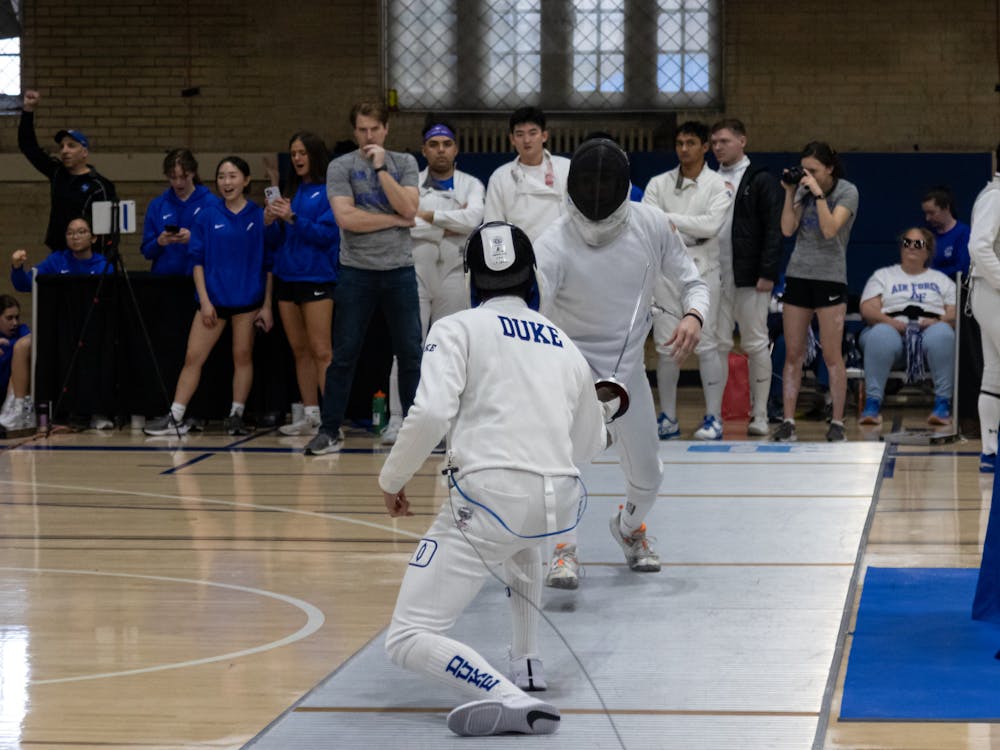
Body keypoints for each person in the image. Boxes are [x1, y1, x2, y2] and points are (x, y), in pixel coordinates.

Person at [379, 221, 609, 737]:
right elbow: (591, 445)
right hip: (557, 506)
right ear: (532, 280)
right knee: (521, 537)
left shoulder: (455, 328)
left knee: (408, 636)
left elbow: (433, 411)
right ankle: (528, 662)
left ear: (471, 280)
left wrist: (392, 477)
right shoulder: (565, 346)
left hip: (489, 499)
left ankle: (507, 696)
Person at [534, 138, 708, 588]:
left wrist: (693, 315)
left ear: (622, 185)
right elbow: (529, 317)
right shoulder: (552, 244)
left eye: (603, 182)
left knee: (648, 477)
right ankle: (562, 548)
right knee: (563, 468)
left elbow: (694, 284)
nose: (595, 193)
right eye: (586, 183)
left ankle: (629, 530)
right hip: (569, 374)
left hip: (627, 376)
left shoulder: (651, 225)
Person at [304, 101, 422, 455]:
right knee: (344, 354)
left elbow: (410, 208)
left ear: (385, 129)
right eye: (362, 130)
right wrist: (394, 221)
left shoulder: (405, 163)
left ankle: (417, 432)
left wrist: (382, 169)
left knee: (411, 353)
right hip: (356, 272)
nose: (368, 136)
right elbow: (347, 219)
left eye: (374, 129)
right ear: (354, 132)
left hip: (399, 271)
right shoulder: (340, 167)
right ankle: (329, 430)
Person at [144, 156, 274, 437]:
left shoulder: (258, 216)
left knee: (242, 356)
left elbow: (268, 265)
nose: (227, 182)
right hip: (213, 300)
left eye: (233, 176)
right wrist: (204, 301)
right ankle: (176, 415)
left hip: (247, 301)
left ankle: (236, 414)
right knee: (193, 357)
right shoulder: (207, 215)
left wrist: (266, 306)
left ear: (246, 180)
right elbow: (197, 261)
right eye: (222, 177)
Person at [382, 117, 485, 444]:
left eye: (447, 144)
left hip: (455, 274)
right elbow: (403, 223)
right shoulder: (410, 184)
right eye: (433, 144)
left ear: (456, 149)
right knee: (408, 347)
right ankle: (398, 419)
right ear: (424, 150)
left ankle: (447, 423)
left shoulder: (471, 184)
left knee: (450, 350)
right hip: (416, 273)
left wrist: (426, 216)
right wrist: (448, 223)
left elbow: (474, 221)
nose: (440, 150)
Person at [642, 120, 732, 440]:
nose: (684, 149)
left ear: (705, 147)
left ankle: (714, 418)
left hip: (704, 266)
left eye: (691, 143)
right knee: (667, 348)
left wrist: (669, 219)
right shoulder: (658, 183)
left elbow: (710, 226)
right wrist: (674, 223)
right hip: (666, 270)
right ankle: (667, 417)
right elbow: (650, 224)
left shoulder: (719, 186)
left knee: (707, 346)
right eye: (680, 143)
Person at [772, 141, 859, 443]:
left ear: (829, 169)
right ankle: (788, 420)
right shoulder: (801, 191)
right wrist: (789, 192)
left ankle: (837, 421)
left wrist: (819, 195)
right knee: (793, 353)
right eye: (804, 169)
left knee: (832, 354)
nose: (807, 175)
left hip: (830, 278)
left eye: (814, 170)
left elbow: (830, 229)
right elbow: (787, 229)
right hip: (799, 275)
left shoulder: (847, 191)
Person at [263, 131, 339, 437]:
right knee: (300, 350)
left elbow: (327, 236)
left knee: (322, 351)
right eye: (293, 153)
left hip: (317, 277)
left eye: (302, 153)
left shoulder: (330, 192)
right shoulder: (290, 192)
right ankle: (311, 415)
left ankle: (332, 422)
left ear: (315, 155)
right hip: (287, 278)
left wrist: (293, 217)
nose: (297, 158)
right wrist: (271, 221)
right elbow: (274, 242)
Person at [710, 118, 783, 436]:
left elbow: (774, 229)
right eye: (714, 142)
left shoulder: (762, 180)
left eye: (724, 141)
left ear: (742, 141)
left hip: (751, 276)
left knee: (755, 343)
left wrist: (767, 272)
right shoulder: (708, 179)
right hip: (715, 275)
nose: (717, 147)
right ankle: (714, 415)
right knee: (716, 345)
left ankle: (761, 414)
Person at [857, 227, 956, 426]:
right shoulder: (883, 276)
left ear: (927, 251)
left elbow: (954, 312)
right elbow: (868, 308)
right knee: (880, 335)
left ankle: (942, 405)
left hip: (930, 329)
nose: (911, 247)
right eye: (906, 242)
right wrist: (890, 322)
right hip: (891, 328)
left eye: (918, 243)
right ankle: (873, 404)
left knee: (943, 334)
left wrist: (938, 320)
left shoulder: (941, 280)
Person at [18, 90, 117, 253]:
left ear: (84, 152)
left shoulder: (100, 186)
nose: (64, 151)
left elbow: (106, 231)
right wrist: (28, 110)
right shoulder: (57, 172)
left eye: (71, 146)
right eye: (62, 146)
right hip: (59, 253)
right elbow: (28, 147)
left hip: (88, 257)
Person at [483, 107, 570, 242]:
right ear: (512, 139)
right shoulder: (500, 177)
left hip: (561, 251)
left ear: (544, 136)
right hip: (520, 256)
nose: (527, 140)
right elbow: (493, 226)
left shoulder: (566, 168)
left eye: (532, 133)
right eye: (520, 134)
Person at [969, 145, 1000, 473]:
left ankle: (990, 452)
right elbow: (978, 245)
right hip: (992, 292)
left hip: (989, 292)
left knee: (994, 375)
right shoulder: (996, 195)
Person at [140, 149, 219, 276]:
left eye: (184, 177)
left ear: (193, 173)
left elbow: (221, 247)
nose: (178, 183)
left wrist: (194, 239)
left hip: (200, 280)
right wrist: (159, 242)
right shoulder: (157, 205)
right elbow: (146, 252)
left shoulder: (212, 204)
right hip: (164, 280)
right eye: (173, 178)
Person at [921, 186, 971, 280]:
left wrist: (931, 274)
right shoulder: (927, 233)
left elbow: (962, 269)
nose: (927, 218)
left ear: (946, 208)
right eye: (925, 213)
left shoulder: (963, 233)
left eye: (931, 213)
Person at [0, 295, 32, 433]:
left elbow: (33, 337)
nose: (14, 323)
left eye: (17, 317)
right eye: (9, 318)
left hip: (13, 396)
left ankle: (19, 410)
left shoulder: (22, 331)